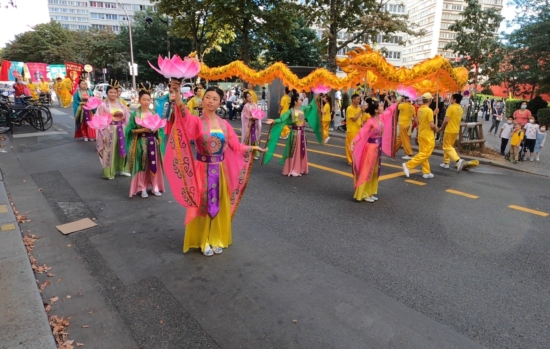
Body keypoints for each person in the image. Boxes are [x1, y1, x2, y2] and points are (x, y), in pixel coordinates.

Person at [164, 81, 266, 257]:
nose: (210, 101)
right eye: (207, 98)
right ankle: (203, 240)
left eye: (215, 99)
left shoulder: (224, 125)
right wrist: (178, 95)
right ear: (202, 101)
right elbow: (183, 115)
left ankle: (215, 237)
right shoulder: (196, 122)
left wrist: (253, 148)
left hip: (220, 171)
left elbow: (235, 146)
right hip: (201, 170)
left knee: (217, 204)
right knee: (202, 205)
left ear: (220, 102)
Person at [264, 93, 323, 176]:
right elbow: (282, 119)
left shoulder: (303, 109)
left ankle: (300, 169)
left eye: (301, 100)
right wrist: (274, 121)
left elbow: (311, 106)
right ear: (295, 102)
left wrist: (317, 97)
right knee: (293, 151)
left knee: (301, 151)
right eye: (299, 100)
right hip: (295, 133)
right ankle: (293, 169)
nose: (301, 101)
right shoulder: (290, 111)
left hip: (302, 133)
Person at [351, 101, 398, 202]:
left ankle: (370, 192)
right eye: (380, 106)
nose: (382, 107)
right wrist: (353, 142)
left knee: (375, 171)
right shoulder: (370, 121)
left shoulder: (380, 118)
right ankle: (363, 194)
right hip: (370, 148)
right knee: (367, 171)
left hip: (378, 148)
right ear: (376, 110)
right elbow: (361, 133)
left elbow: (389, 111)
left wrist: (397, 103)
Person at [125, 90, 165, 198]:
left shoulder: (153, 113)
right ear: (139, 100)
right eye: (144, 99)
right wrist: (142, 130)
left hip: (153, 143)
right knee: (142, 166)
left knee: (154, 165)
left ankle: (155, 186)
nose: (146, 102)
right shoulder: (136, 114)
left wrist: (157, 132)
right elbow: (130, 130)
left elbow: (160, 129)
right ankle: (142, 187)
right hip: (141, 143)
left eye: (148, 100)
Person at [95, 85, 131, 179]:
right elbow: (98, 119)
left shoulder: (121, 105)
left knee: (123, 148)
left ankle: (122, 168)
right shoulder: (103, 106)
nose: (113, 94)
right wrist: (102, 133)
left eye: (115, 92)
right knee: (109, 150)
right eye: (111, 92)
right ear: (107, 93)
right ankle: (109, 172)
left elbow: (127, 118)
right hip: (109, 130)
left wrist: (129, 129)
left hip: (122, 129)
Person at [403, 93, 437, 179]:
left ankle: (426, 172)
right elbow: (432, 125)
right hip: (428, 135)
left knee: (423, 153)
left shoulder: (420, 109)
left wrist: (433, 113)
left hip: (421, 134)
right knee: (426, 154)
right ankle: (408, 165)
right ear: (430, 100)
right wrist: (436, 128)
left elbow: (424, 119)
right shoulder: (428, 110)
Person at [439, 93, 465, 172]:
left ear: (454, 99)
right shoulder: (460, 108)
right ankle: (446, 162)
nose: (450, 99)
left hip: (449, 129)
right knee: (449, 146)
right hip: (455, 130)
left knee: (446, 147)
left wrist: (441, 127)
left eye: (451, 98)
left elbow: (446, 120)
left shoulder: (451, 107)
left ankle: (458, 160)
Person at [345, 94, 369, 165]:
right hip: (351, 130)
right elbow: (354, 119)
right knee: (351, 146)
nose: (359, 100)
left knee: (358, 146)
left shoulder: (359, 108)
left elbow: (361, 119)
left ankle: (356, 159)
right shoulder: (349, 108)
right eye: (358, 99)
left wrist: (362, 124)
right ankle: (350, 160)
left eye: (359, 99)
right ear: (353, 99)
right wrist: (360, 111)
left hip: (359, 130)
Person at [240, 91, 262, 160]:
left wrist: (258, 116)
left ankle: (255, 153)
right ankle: (247, 153)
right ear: (246, 99)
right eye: (248, 97)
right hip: (249, 125)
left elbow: (259, 113)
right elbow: (244, 115)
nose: (249, 98)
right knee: (248, 138)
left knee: (254, 138)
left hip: (255, 124)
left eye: (250, 96)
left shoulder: (255, 105)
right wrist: (250, 117)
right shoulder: (246, 106)